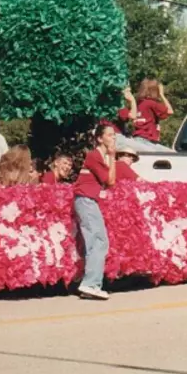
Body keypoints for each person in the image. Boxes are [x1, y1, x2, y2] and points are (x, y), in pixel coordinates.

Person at [73, 123, 117, 300]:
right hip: (86, 200)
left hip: (88, 200)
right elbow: (110, 180)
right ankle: (91, 283)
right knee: (98, 241)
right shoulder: (94, 156)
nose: (113, 138)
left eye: (114, 135)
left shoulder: (99, 157)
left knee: (97, 241)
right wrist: (113, 157)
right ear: (99, 138)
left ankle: (90, 283)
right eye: (109, 135)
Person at [117, 80, 173, 145]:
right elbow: (170, 111)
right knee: (170, 154)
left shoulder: (138, 104)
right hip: (148, 140)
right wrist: (162, 94)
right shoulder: (151, 103)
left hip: (138, 138)